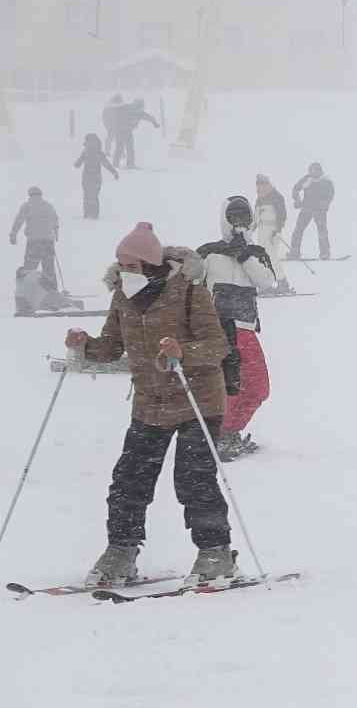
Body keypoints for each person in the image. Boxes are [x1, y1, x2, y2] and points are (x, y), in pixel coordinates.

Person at [68, 222, 238, 585]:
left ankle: (216, 553)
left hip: (198, 399)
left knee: (193, 480)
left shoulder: (189, 292)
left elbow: (217, 346)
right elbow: (112, 347)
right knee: (129, 480)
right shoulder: (122, 297)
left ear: (149, 263)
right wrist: (84, 344)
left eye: (130, 265)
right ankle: (121, 552)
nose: (124, 272)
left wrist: (182, 352)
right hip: (150, 403)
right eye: (120, 264)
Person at [196, 197, 277, 461]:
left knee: (256, 388)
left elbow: (267, 283)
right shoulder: (209, 252)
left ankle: (226, 431)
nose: (238, 223)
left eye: (243, 218)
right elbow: (188, 282)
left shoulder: (255, 253)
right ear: (225, 219)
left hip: (245, 328)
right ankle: (220, 433)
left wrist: (244, 254)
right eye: (233, 217)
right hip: (217, 328)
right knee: (232, 386)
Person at [10, 186, 60, 291]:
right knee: (48, 267)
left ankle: (27, 291)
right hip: (48, 241)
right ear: (40, 194)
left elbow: (18, 220)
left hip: (34, 241)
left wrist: (13, 234)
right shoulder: (48, 205)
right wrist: (56, 233)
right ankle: (53, 290)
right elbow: (55, 220)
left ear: (30, 195)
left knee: (30, 268)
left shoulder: (27, 206)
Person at [288, 162, 335, 261]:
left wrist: (325, 204)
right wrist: (297, 199)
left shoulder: (326, 181)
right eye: (310, 170)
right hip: (306, 209)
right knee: (298, 230)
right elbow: (296, 189)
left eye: (314, 170)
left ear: (319, 171)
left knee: (322, 232)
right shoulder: (307, 178)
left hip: (319, 211)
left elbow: (330, 195)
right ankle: (294, 252)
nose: (312, 172)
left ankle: (325, 253)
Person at [253, 175, 292, 292]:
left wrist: (277, 230)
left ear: (268, 184)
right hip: (261, 231)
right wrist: (249, 230)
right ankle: (267, 284)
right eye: (258, 185)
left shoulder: (276, 197)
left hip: (272, 231)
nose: (260, 187)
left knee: (271, 258)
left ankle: (282, 282)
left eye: (263, 184)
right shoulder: (259, 199)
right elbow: (256, 218)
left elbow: (282, 215)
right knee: (263, 259)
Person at [104, 98, 160, 169]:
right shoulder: (125, 108)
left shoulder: (138, 112)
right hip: (120, 130)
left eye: (141, 107)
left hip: (127, 131)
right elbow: (112, 111)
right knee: (120, 147)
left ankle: (128, 164)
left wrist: (154, 123)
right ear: (136, 105)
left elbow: (147, 116)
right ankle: (116, 164)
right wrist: (111, 126)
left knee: (129, 147)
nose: (141, 108)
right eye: (140, 106)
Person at [74, 133, 119, 219]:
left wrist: (78, 162)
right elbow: (106, 164)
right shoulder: (98, 153)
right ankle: (94, 214)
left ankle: (87, 214)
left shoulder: (86, 152)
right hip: (95, 177)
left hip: (87, 177)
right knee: (93, 196)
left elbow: (77, 164)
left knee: (87, 195)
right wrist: (114, 172)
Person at [15, 262, 82, 315]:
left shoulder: (19, 284)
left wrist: (24, 309)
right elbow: (49, 285)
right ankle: (70, 305)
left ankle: (68, 305)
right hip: (42, 302)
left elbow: (20, 300)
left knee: (53, 297)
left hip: (33, 306)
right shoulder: (34, 274)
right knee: (54, 296)